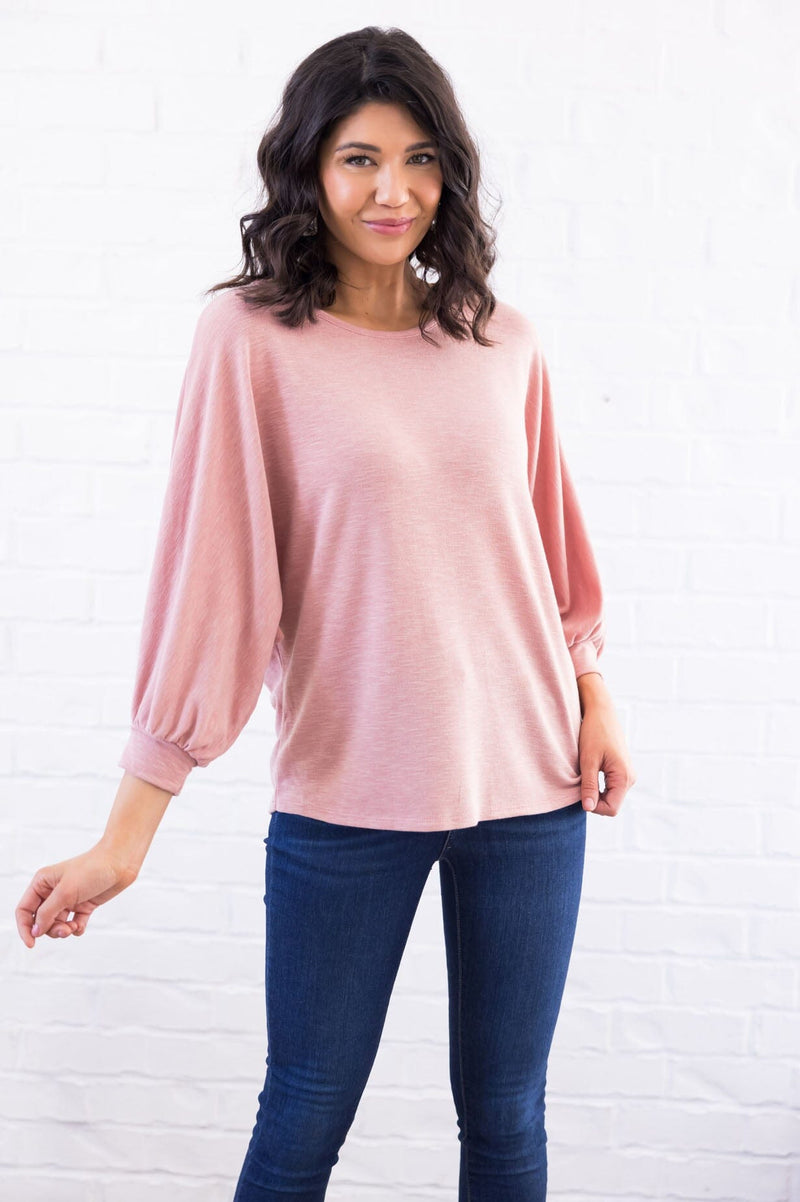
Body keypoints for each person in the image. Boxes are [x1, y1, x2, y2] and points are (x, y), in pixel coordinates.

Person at [15, 25, 636, 1202]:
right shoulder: (250, 340)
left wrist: (592, 691)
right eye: (358, 158)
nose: (391, 191)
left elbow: (550, 553)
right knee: (304, 1109)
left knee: (507, 1116)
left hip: (532, 781)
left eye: (417, 159)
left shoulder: (501, 340)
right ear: (307, 167)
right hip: (348, 791)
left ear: (448, 172)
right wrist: (125, 837)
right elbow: (211, 588)